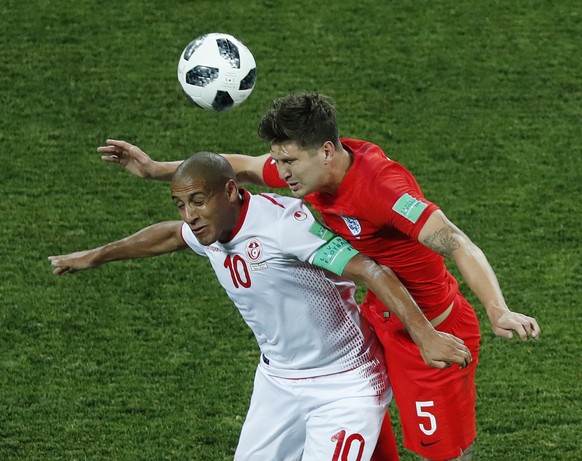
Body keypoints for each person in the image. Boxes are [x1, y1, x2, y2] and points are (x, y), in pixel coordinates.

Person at [96, 93, 540, 461]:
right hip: (378, 324)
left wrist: (496, 309)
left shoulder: (382, 190)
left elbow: (456, 241)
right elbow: (242, 166)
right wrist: (155, 170)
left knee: (437, 452)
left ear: (326, 151)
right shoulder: (309, 170)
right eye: (279, 160)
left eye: (288, 161)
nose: (280, 172)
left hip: (433, 329)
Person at [49, 152, 472, 461]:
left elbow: (372, 271)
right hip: (278, 383)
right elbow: (170, 236)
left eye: (197, 200)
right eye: (181, 204)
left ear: (231, 191)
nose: (190, 215)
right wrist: (96, 256)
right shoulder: (210, 228)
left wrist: (426, 336)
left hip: (344, 384)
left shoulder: (284, 226)